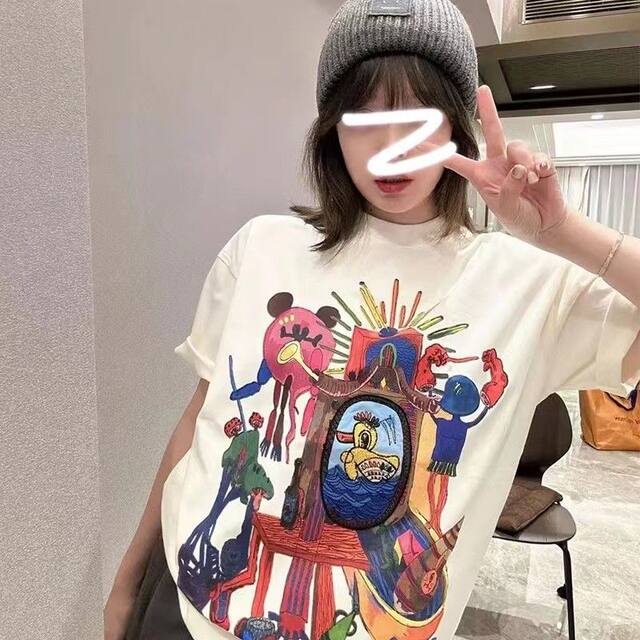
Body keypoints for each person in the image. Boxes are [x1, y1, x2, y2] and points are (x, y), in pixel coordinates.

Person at [104, 1, 640, 639]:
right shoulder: (261, 246)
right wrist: (127, 583)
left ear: (456, 126)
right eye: (364, 118)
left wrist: (562, 232)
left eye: (418, 117)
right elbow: (198, 421)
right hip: (185, 611)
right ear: (332, 129)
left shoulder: (526, 283)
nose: (391, 148)